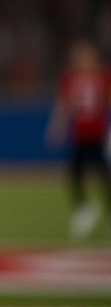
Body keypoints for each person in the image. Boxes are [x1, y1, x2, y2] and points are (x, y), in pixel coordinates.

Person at [46, 37, 111, 240]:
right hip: (79, 136)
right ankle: (84, 208)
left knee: (104, 178)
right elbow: (63, 105)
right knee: (74, 176)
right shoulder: (70, 79)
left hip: (98, 135)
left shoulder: (103, 77)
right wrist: (56, 127)